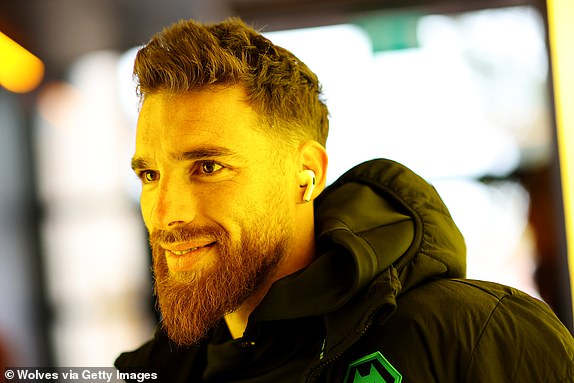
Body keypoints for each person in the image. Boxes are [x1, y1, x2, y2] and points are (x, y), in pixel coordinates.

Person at [115, 17, 574, 382]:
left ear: (307, 174)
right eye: (150, 175)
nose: (164, 212)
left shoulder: (476, 335)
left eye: (208, 167)